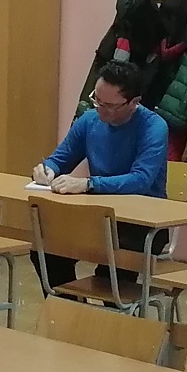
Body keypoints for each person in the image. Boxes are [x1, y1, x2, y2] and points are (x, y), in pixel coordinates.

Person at [31, 59, 169, 290]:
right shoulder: (89, 119)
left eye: (110, 105)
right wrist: (48, 169)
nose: (100, 108)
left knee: (112, 274)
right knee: (45, 251)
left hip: (142, 224)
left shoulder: (154, 127)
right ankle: (70, 306)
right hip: (99, 217)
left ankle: (108, 312)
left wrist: (88, 184)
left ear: (134, 102)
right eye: (97, 100)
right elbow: (61, 158)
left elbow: (141, 180)